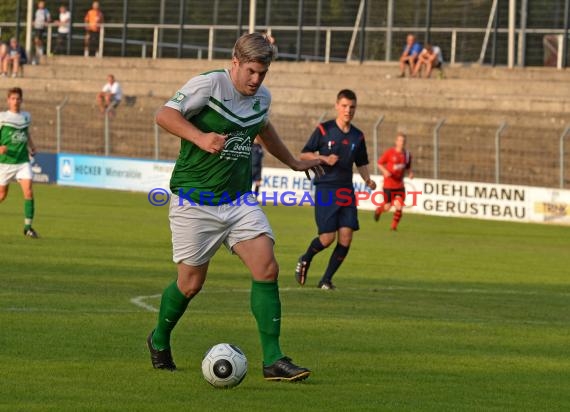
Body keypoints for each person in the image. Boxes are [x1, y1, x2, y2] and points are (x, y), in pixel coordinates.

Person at [148, 32, 323, 382]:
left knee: (267, 266)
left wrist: (292, 161)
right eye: (251, 71)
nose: (256, 80)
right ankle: (159, 337)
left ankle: (273, 359)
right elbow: (163, 114)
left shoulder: (261, 99)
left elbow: (264, 128)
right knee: (190, 284)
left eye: (263, 73)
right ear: (235, 62)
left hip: (238, 200)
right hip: (195, 200)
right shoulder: (210, 85)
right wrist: (199, 137)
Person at [295, 89, 377, 290]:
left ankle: (326, 280)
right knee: (327, 238)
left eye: (352, 107)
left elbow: (361, 162)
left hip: (346, 190)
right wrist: (323, 158)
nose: (348, 110)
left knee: (347, 236)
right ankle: (306, 258)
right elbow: (304, 154)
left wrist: (368, 179)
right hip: (326, 189)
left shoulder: (358, 136)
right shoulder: (324, 130)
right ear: (337, 106)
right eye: (344, 106)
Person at [0, 87, 39, 238]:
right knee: (2, 195)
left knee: (28, 191)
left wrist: (32, 145)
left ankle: (28, 227)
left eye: (18, 99)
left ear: (21, 100)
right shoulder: (2, 117)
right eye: (13, 99)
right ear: (8, 100)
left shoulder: (26, 117)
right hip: (5, 162)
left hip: (22, 161)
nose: (16, 101)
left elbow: (26, 133)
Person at [374, 132, 414, 231]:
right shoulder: (390, 153)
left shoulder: (407, 155)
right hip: (388, 184)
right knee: (387, 207)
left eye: (403, 141)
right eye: (400, 140)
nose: (401, 142)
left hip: (400, 185)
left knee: (399, 206)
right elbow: (379, 163)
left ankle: (393, 227)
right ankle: (379, 210)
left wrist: (410, 173)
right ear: (396, 142)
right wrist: (385, 171)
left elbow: (408, 167)